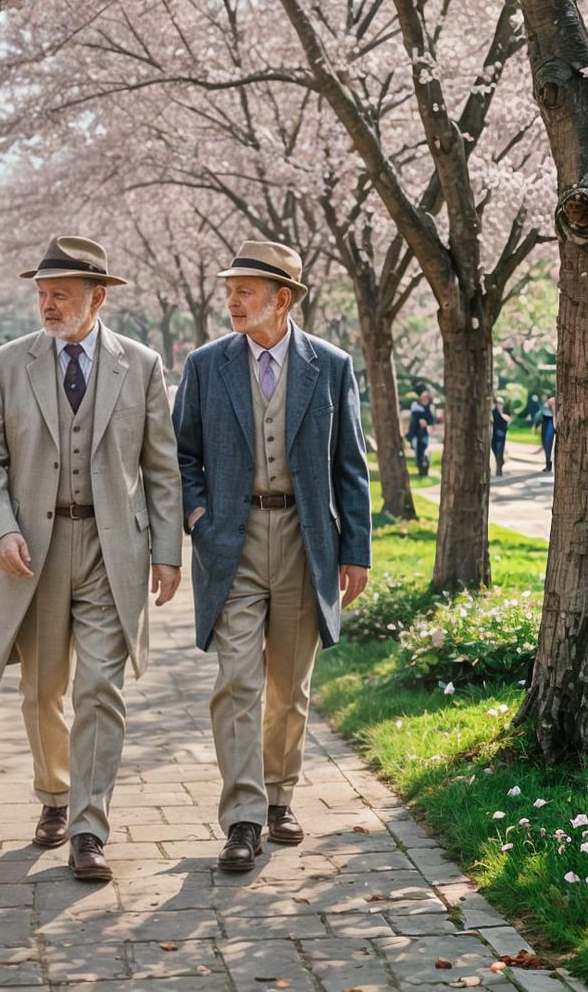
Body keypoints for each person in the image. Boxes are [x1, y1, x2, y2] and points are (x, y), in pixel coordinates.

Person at [0, 236, 183, 882]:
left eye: (61, 294)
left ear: (98, 298)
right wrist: (0, 532)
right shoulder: (8, 365)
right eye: (42, 293)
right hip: (33, 551)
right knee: (41, 690)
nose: (48, 305)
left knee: (100, 688)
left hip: (112, 549)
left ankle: (90, 826)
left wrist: (167, 553)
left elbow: (162, 468)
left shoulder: (140, 365)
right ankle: (55, 795)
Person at [172, 240, 371, 873]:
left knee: (289, 684)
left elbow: (351, 465)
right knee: (237, 682)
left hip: (305, 540)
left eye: (246, 291)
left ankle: (280, 796)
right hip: (230, 542)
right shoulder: (206, 365)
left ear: (282, 300)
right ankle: (242, 817)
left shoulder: (332, 366)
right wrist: (200, 518)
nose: (232, 300)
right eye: (230, 289)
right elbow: (181, 456)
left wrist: (356, 549)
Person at [406, 389, 436, 478]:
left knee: (424, 450)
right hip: (416, 432)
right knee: (418, 451)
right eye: (423, 396)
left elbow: (431, 420)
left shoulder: (429, 408)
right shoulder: (415, 405)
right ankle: (421, 468)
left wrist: (425, 421)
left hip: (423, 433)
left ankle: (424, 469)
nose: (424, 398)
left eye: (426, 397)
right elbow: (414, 418)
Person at [490, 397, 511, 477]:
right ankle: (499, 468)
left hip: (501, 435)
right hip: (496, 435)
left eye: (501, 403)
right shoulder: (494, 412)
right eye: (499, 403)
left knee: (500, 452)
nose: (500, 405)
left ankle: (499, 469)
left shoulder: (502, 412)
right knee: (497, 451)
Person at [540, 396, 557, 471]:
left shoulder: (552, 400)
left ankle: (549, 464)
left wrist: (555, 425)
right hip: (546, 421)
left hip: (549, 422)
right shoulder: (549, 401)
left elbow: (554, 414)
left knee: (548, 443)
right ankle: (548, 463)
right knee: (546, 444)